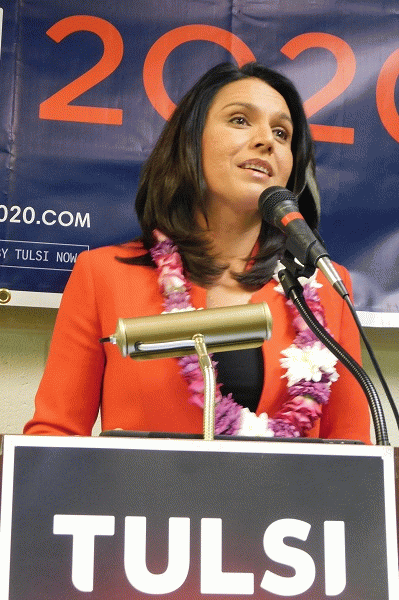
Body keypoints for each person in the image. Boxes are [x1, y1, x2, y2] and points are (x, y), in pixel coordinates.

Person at [24, 62, 371, 442]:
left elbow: (354, 454)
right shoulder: (102, 275)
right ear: (191, 141)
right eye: (240, 120)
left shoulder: (323, 287)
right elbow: (54, 437)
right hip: (142, 501)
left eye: (281, 132)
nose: (266, 140)